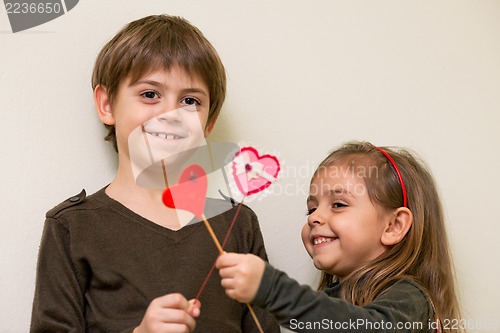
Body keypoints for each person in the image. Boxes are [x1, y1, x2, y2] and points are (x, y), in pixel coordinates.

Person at [31, 15, 280, 333]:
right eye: (150, 94)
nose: (170, 114)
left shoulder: (239, 225)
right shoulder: (70, 227)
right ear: (107, 104)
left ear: (208, 122)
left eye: (190, 101)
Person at [216, 141, 463, 333]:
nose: (314, 218)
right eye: (311, 209)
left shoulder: (410, 299)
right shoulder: (325, 307)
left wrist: (274, 290)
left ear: (393, 226)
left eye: (338, 204)